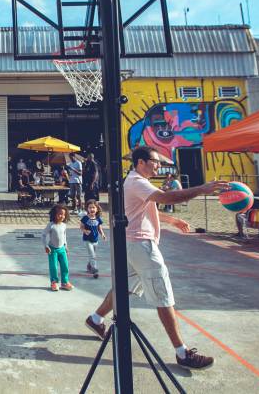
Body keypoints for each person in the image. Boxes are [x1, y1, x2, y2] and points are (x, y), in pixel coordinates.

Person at [84, 146, 229, 370]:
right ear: (141, 162)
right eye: (155, 161)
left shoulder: (134, 181)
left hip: (131, 245)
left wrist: (171, 220)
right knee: (163, 296)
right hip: (142, 247)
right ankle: (182, 353)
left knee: (124, 288)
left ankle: (95, 319)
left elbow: (144, 209)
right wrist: (202, 188)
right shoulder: (136, 181)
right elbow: (165, 196)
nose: (158, 165)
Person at [43, 203, 73, 291]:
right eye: (60, 214)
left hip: (62, 249)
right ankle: (54, 282)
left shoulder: (64, 225)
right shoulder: (51, 225)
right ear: (54, 214)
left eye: (64, 214)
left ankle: (65, 282)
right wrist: (46, 246)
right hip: (52, 250)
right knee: (54, 267)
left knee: (65, 266)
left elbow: (64, 236)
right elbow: (43, 235)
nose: (62, 216)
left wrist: (66, 246)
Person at [80, 199, 107, 278]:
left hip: (95, 240)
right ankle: (94, 269)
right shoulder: (85, 218)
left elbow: (99, 228)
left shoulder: (98, 218)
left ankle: (89, 266)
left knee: (93, 254)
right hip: (87, 240)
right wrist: (85, 231)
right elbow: (81, 227)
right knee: (92, 255)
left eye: (93, 208)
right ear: (87, 209)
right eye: (90, 208)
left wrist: (102, 234)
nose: (92, 209)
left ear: (97, 209)